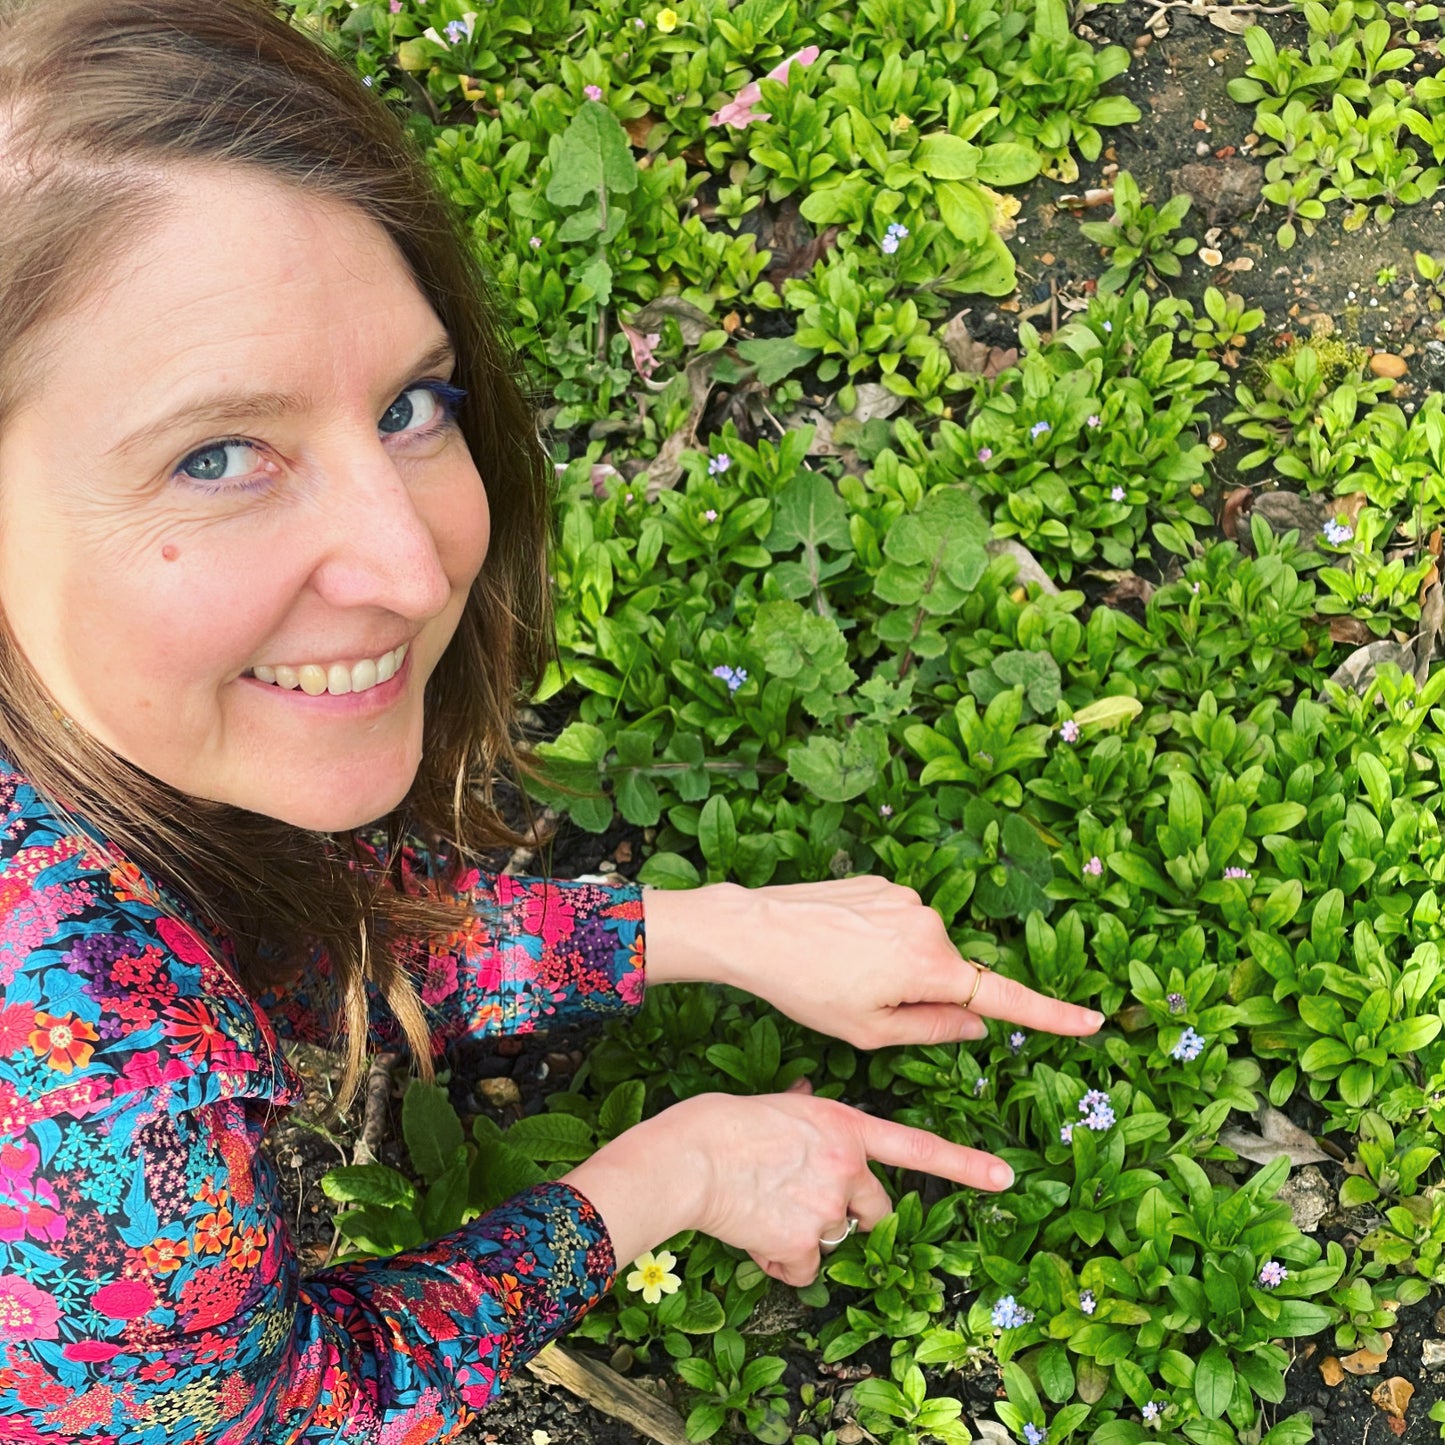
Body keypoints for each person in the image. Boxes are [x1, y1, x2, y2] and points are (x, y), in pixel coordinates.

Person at [0, 0, 1104, 1440]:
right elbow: (271, 1416)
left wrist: (708, 926)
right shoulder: (78, 1070)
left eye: (411, 404)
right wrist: (675, 1171)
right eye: (220, 454)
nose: (411, 568)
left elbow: (252, 939)